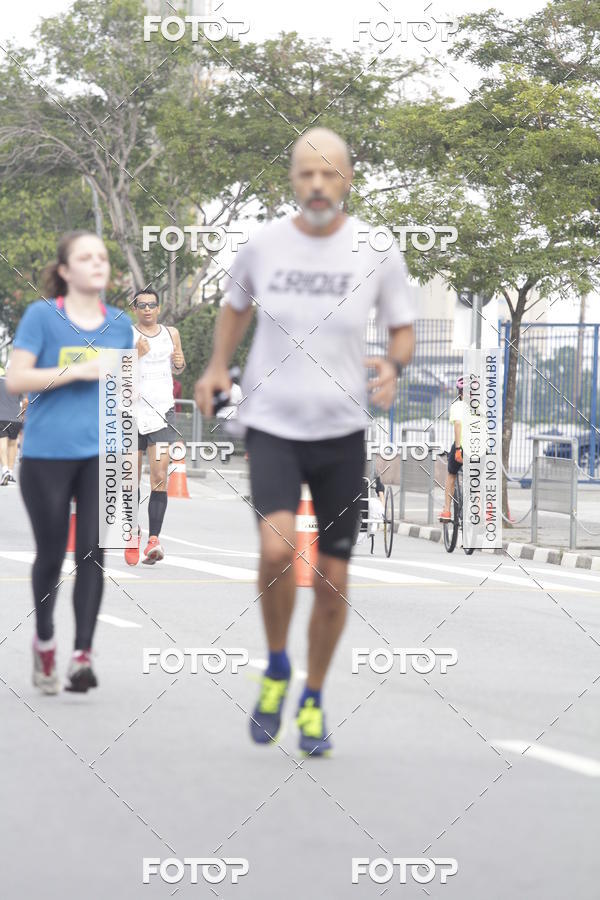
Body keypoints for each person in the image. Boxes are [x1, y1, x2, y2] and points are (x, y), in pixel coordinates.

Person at [195, 127, 415, 756]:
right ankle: (275, 667)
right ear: (292, 179)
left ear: (347, 179)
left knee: (334, 577)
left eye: (330, 174)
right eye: (306, 174)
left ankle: (313, 695)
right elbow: (235, 305)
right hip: (272, 423)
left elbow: (402, 328)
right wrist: (216, 365)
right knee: (277, 548)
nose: (318, 185)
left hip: (342, 430)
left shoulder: (377, 248)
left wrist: (392, 366)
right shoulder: (264, 243)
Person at [6, 231, 133, 694]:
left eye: (102, 257)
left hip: (103, 454)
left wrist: (126, 458)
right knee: (51, 553)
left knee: (94, 554)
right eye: (86, 257)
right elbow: (17, 378)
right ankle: (45, 642)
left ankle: (82, 656)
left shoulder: (120, 324)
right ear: (65, 271)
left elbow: (122, 395)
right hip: (46, 455)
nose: (97, 263)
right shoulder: (42, 316)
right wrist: (75, 370)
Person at [125, 289, 186, 567]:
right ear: (135, 309)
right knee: (130, 477)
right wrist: (134, 355)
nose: (147, 309)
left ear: (158, 308)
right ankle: (132, 533)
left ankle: (154, 539)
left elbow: (179, 364)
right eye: (142, 305)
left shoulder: (171, 333)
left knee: (159, 476)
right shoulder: (127, 334)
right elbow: (112, 373)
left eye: (152, 305)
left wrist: (179, 363)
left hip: (162, 411)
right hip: (131, 411)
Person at [439, 376, 465, 521]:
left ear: (459, 393)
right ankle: (480, 511)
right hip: (479, 448)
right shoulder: (482, 406)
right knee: (478, 478)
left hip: (463, 446)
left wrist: (458, 448)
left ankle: (447, 511)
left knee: (451, 474)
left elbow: (458, 425)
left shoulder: (457, 406)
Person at [0, 363, 22, 485]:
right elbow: (24, 401)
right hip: (15, 419)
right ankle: (10, 472)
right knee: (13, 444)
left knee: (2, 443)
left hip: (1, 418)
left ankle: (5, 470)